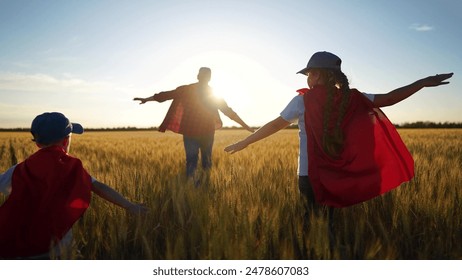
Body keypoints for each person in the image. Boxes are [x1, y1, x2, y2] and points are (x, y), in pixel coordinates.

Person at [225, 51, 452, 209]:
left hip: (308, 174)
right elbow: (389, 99)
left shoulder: (302, 101)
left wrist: (244, 142)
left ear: (325, 75)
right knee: (330, 222)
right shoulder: (352, 99)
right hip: (339, 174)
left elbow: (276, 124)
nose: (309, 78)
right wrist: (421, 82)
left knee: (310, 221)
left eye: (311, 73)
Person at [0, 112, 148, 259]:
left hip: (18, 249)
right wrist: (130, 206)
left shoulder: (20, 169)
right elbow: (99, 187)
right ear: (66, 141)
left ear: (38, 143)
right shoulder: (72, 168)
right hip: (59, 249)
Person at [134, 67, 254, 181]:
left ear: (198, 76)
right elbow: (228, 111)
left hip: (191, 132)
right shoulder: (212, 93)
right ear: (209, 78)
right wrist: (245, 125)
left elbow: (164, 96)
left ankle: (193, 186)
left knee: (192, 161)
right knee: (206, 161)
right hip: (206, 132)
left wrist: (146, 99)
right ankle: (203, 185)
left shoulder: (187, 90)